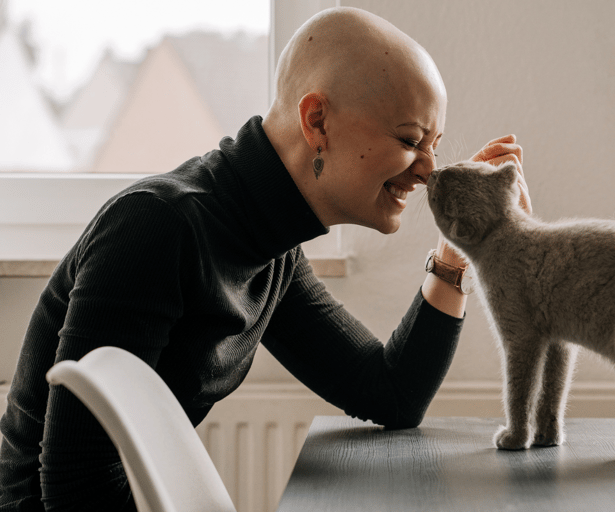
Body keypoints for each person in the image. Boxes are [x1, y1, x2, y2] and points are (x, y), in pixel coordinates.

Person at [0, 7, 531, 511]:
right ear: (316, 120)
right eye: (411, 139)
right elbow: (74, 486)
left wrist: (460, 250)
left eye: (434, 145)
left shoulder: (268, 245)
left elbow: (390, 394)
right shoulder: (158, 228)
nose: (427, 171)